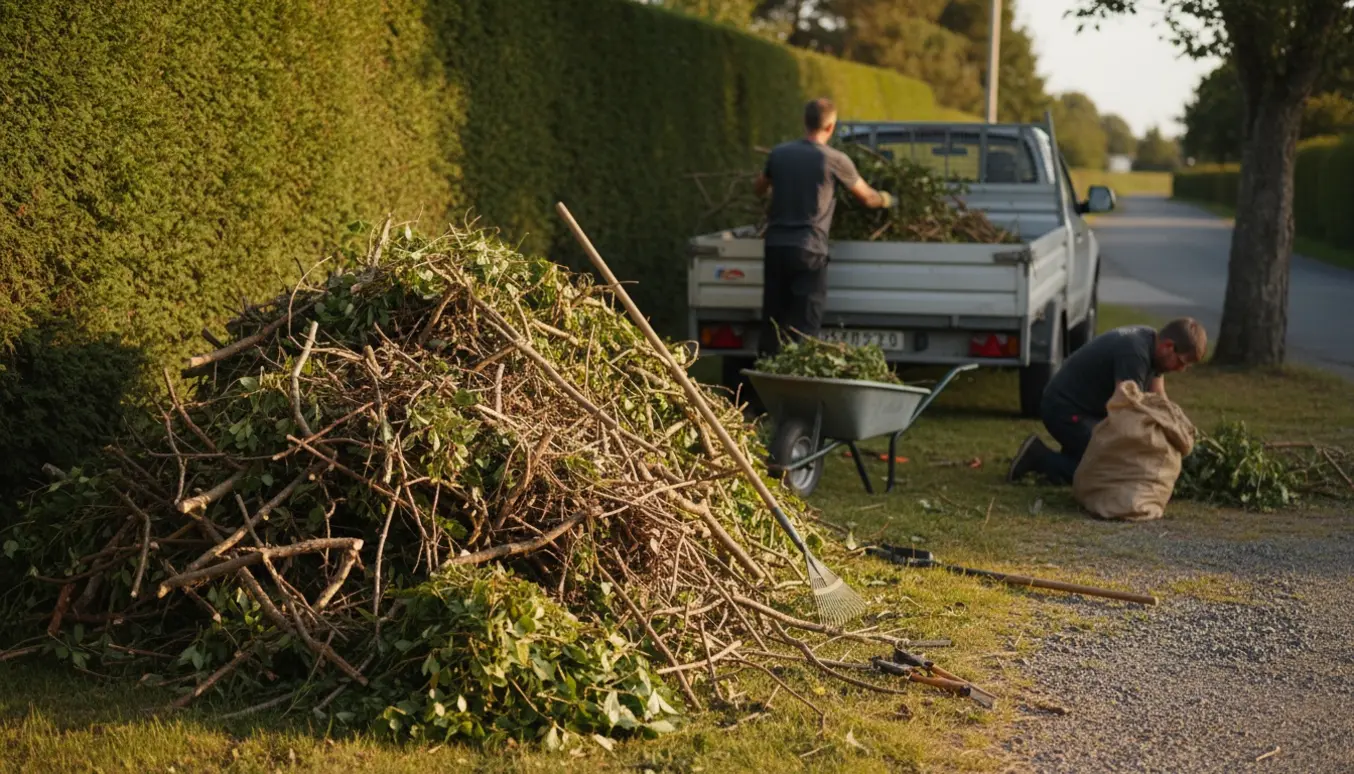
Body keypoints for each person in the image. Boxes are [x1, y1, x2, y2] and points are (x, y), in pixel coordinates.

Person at [754, 98, 894, 357]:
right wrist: (887, 199)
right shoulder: (835, 159)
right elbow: (867, 197)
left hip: (775, 247)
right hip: (809, 250)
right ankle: (799, 375)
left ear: (804, 122)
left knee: (774, 319)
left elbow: (759, 188)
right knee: (805, 324)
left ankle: (768, 370)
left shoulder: (779, 153)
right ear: (831, 127)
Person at [1007, 318, 1208, 485]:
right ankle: (1038, 457)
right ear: (1168, 346)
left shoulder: (1152, 344)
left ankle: (1066, 463)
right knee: (1116, 468)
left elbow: (1159, 399)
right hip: (1064, 410)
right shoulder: (1134, 353)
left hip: (1087, 411)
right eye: (1181, 362)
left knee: (1115, 460)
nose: (1181, 370)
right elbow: (1125, 407)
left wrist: (1178, 433)